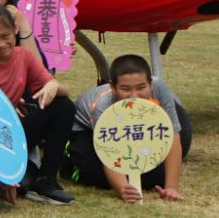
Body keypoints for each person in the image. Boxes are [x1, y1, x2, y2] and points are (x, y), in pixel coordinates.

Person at [0, 5, 75, 205]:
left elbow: (64, 92)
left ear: (15, 29)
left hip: (14, 132)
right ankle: (18, 179)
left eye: (5, 35)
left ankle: (46, 179)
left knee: (63, 105)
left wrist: (52, 85)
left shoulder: (23, 56)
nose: (0, 44)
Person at [70, 55, 191, 202]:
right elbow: (109, 151)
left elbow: (172, 135)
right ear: (113, 87)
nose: (134, 96)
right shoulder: (102, 106)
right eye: (125, 89)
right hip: (87, 132)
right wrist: (123, 188)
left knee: (160, 171)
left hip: (140, 124)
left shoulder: (160, 87)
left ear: (151, 84)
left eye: (141, 88)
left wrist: (171, 187)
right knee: (97, 175)